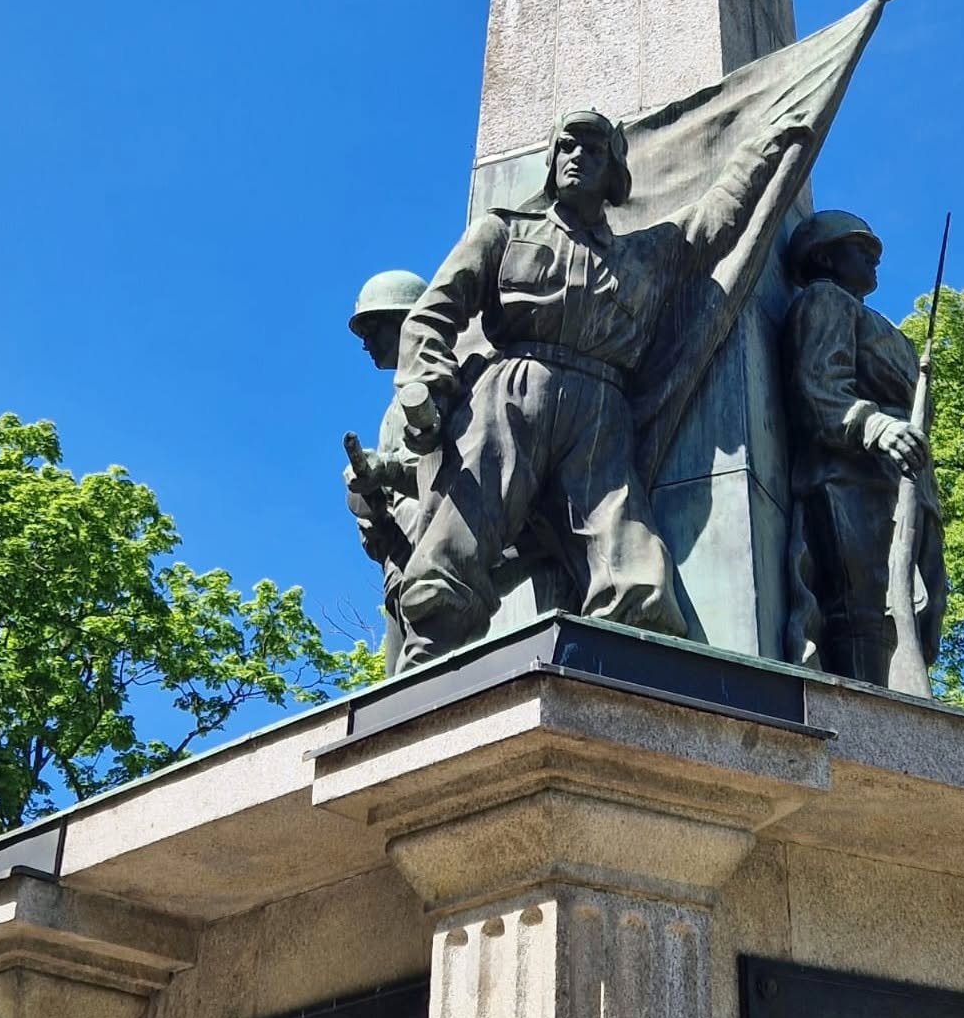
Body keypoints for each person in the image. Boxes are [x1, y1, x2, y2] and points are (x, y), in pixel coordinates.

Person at [393, 106, 810, 667]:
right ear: (551, 160)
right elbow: (430, 317)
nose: (577, 158)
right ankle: (429, 659)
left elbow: (715, 217)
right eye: (567, 146)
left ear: (615, 170)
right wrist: (425, 382)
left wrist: (772, 143)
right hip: (508, 394)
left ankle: (628, 662)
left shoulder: (646, 254)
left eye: (593, 150)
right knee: (460, 530)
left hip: (600, 406)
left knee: (626, 548)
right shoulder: (503, 232)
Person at [782, 211, 946, 685]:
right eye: (862, 250)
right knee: (866, 611)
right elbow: (818, 387)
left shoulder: (875, 321)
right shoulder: (825, 300)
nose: (875, 261)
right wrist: (876, 427)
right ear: (826, 257)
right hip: (851, 476)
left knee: (917, 611)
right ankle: (867, 726)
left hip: (902, 479)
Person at [342, 269, 428, 672]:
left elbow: (452, 475)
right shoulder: (392, 411)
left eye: (374, 330)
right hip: (401, 564)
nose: (367, 346)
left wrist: (388, 471)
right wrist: (368, 504)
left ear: (408, 324)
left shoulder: (451, 388)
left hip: (437, 563)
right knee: (395, 693)